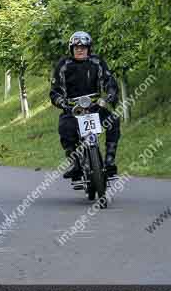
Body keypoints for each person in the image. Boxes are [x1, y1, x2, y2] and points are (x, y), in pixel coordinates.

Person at [50, 31, 121, 181]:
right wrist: (62, 103)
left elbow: (109, 81)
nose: (80, 49)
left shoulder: (97, 62)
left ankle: (109, 162)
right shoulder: (63, 65)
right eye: (76, 47)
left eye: (83, 47)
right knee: (65, 129)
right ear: (71, 49)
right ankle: (75, 164)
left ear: (89, 48)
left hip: (95, 107)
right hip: (73, 109)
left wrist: (109, 95)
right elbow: (55, 91)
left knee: (113, 121)